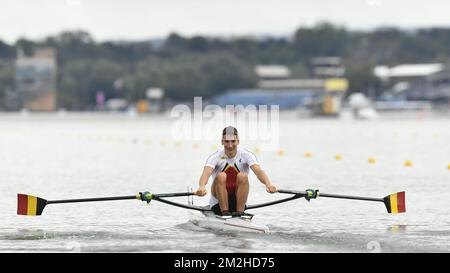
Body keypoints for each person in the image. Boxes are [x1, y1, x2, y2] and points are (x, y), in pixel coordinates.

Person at [195, 126, 277, 218]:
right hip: (218, 204)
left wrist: (268, 184)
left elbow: (259, 171)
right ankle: (224, 212)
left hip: (238, 202)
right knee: (221, 176)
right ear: (222, 141)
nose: (230, 145)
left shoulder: (246, 155)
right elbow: (206, 173)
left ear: (238, 141)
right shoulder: (215, 157)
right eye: (226, 141)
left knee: (243, 176)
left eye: (233, 141)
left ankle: (240, 212)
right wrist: (201, 187)